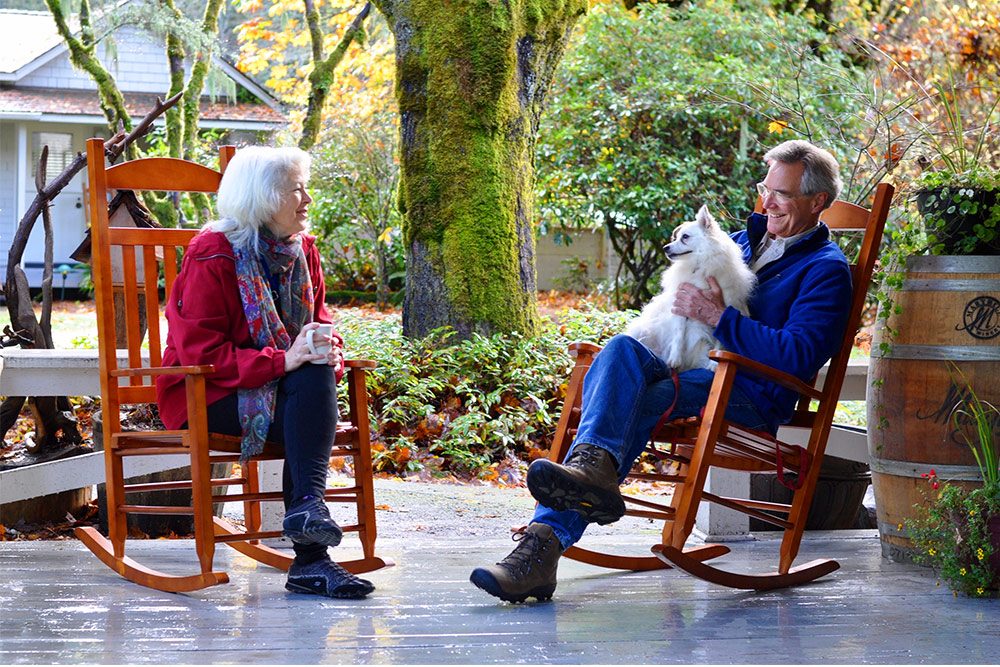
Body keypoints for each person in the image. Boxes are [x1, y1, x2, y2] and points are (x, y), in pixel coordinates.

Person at [470, 139, 854, 603]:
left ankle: (540, 547)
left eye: (782, 194)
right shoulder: (737, 245)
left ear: (818, 202)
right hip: (693, 368)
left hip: (750, 389)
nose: (767, 201)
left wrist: (720, 319)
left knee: (642, 399)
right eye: (765, 188)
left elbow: (798, 355)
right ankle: (591, 476)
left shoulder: (825, 270)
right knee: (618, 352)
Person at [155, 146, 375, 600]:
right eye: (297, 190)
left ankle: (308, 530)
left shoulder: (302, 250)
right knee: (308, 381)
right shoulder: (211, 254)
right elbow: (202, 350)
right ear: (264, 197)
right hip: (209, 395)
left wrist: (323, 342)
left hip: (285, 392)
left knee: (314, 371)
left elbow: (319, 317)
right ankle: (312, 555)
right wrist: (282, 360)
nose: (308, 199)